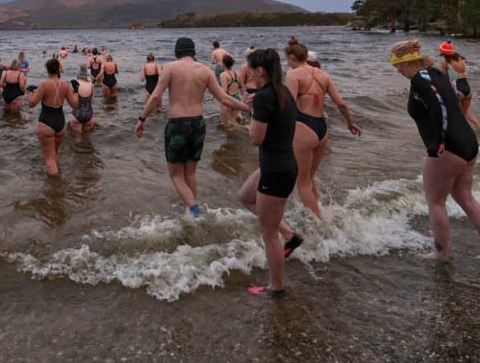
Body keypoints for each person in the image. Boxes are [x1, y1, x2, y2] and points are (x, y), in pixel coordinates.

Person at [391, 39, 480, 264]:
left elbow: (440, 107)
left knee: (435, 202)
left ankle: (441, 254)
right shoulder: (436, 73)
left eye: (398, 65)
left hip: (448, 147)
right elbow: (455, 99)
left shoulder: (420, 80)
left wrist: (438, 143)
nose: (397, 70)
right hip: (468, 143)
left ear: (408, 62)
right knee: (466, 198)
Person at [135, 37, 250, 217]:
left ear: (177, 51)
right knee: (190, 173)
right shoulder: (205, 70)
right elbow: (225, 98)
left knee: (176, 175)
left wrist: (142, 119)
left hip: (177, 124)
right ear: (193, 52)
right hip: (198, 123)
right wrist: (250, 108)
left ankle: (195, 211)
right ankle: (191, 211)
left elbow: (156, 97)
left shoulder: (170, 68)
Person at [237, 48, 302, 296]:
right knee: (244, 196)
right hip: (281, 164)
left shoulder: (265, 97)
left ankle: (276, 287)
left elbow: (255, 138)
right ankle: (291, 235)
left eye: (251, 69)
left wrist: (252, 112)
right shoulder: (282, 91)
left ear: (260, 71)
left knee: (268, 233)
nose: (249, 72)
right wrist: (256, 107)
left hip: (276, 170)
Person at [285, 36, 362, 219]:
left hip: (304, 126)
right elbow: (341, 104)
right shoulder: (324, 75)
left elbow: (287, 106)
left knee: (302, 182)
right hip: (321, 128)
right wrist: (350, 123)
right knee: (310, 178)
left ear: (291, 58)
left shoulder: (293, 75)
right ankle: (318, 210)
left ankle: (320, 223)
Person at [28, 57, 79, 175]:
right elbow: (75, 105)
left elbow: (31, 104)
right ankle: (58, 179)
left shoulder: (44, 85)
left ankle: (55, 187)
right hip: (60, 123)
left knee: (49, 158)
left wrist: (30, 92)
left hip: (46, 122)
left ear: (48, 70)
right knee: (55, 154)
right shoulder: (66, 85)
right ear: (58, 70)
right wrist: (76, 90)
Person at [438, 40, 480, 132]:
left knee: (453, 113)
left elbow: (445, 78)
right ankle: (479, 125)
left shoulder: (446, 63)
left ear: (442, 52)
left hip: (458, 90)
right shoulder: (461, 59)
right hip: (467, 89)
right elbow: (456, 74)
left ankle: (457, 131)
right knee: (465, 111)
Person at [70, 65, 95, 137]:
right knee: (87, 138)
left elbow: (72, 102)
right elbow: (92, 101)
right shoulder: (91, 85)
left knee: (77, 140)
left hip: (76, 114)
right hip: (89, 114)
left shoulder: (74, 84)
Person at [218, 54, 243, 127]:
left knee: (227, 124)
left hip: (229, 100)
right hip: (237, 99)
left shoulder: (223, 75)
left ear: (223, 64)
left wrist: (216, 90)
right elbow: (241, 86)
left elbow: (224, 91)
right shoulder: (237, 73)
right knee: (233, 121)